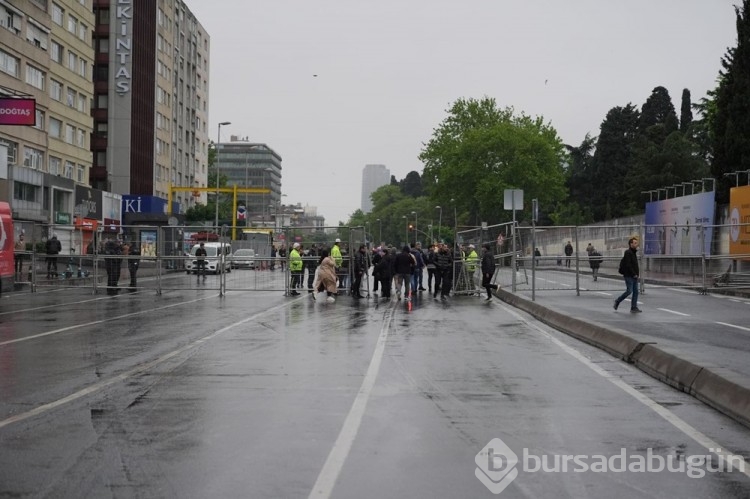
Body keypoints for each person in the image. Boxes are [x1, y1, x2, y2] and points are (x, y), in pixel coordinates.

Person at [614, 237, 641, 313]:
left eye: (636, 243)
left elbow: (634, 265)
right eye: (635, 243)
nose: (636, 244)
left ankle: (633, 307)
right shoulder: (628, 252)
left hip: (634, 275)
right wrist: (634, 274)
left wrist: (636, 274)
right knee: (629, 291)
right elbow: (628, 265)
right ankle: (618, 300)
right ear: (631, 244)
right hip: (629, 275)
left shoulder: (633, 252)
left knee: (636, 291)